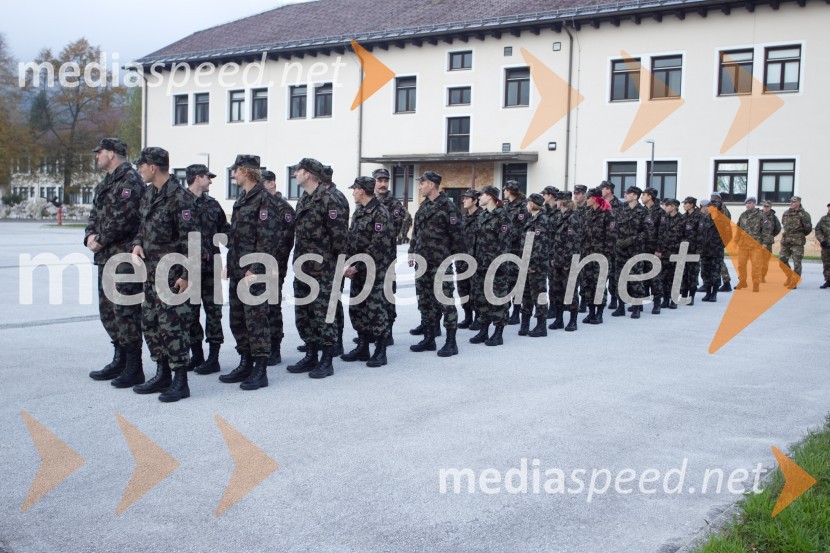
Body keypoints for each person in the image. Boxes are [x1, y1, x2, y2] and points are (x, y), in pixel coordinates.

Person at [130, 147, 199, 402]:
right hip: (151, 273)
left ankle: (181, 381)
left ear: (153, 167)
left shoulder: (180, 198)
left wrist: (187, 276)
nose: (139, 170)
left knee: (174, 327)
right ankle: (162, 373)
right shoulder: (149, 194)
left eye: (142, 166)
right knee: (150, 324)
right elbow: (142, 225)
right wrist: (138, 241)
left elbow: (192, 240)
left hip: (172, 274)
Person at [215, 155, 279, 391]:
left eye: (236, 171)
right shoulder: (242, 199)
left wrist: (256, 269)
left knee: (257, 320)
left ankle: (260, 370)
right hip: (238, 270)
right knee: (238, 320)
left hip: (254, 273)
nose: (233, 175)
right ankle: (245, 362)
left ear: (246, 171)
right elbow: (236, 237)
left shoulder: (264, 200)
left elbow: (268, 238)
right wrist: (230, 265)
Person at [85, 138, 146, 384]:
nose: (96, 156)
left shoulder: (131, 181)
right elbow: (94, 214)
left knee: (126, 311)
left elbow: (126, 219)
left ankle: (134, 366)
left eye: (98, 152)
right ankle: (119, 358)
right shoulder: (106, 183)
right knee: (108, 311)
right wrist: (89, 235)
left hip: (122, 257)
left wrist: (101, 239)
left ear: (110, 153)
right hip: (105, 256)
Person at [286, 158, 348, 378]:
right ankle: (311, 354)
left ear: (309, 174)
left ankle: (327, 360)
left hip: (324, 270)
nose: (295, 174)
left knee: (324, 315)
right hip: (303, 268)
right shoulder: (304, 200)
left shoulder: (329, 199)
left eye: (298, 171)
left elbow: (339, 238)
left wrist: (339, 267)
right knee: (304, 314)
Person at [341, 176, 394, 367]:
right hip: (358, 271)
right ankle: (362, 346)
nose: (353, 193)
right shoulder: (359, 212)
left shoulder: (380, 212)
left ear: (361, 190)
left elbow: (378, 245)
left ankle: (380, 351)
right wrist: (348, 264)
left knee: (376, 310)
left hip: (375, 271)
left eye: (354, 189)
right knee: (358, 308)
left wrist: (358, 266)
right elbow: (352, 239)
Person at [408, 171, 463, 356]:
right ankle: (429, 338)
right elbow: (416, 232)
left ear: (431, 184)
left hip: (441, 263)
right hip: (422, 262)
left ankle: (451, 342)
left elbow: (457, 236)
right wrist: (411, 252)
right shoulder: (423, 207)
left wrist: (455, 260)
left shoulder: (448, 207)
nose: (419, 187)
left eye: (421, 183)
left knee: (445, 301)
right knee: (425, 301)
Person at [184, 164, 230, 375]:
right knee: (190, 314)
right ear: (196, 178)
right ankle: (197, 355)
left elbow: (225, 232)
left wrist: (240, 250)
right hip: (188, 269)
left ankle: (213, 358)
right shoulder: (179, 203)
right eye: (207, 177)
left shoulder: (213, 205)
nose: (210, 181)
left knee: (214, 313)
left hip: (212, 267)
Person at [260, 170, 296, 366]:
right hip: (260, 265)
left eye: (263, 183)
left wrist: (272, 262)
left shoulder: (284, 208)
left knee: (272, 306)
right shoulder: (262, 204)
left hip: (275, 266)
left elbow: (286, 241)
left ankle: (275, 347)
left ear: (272, 183)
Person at [466, 186, 510, 347]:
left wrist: (498, 264)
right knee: (481, 298)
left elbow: (504, 243)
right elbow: (475, 241)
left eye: (482, 195)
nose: (480, 197)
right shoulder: (483, 215)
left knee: (497, 298)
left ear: (490, 197)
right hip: (480, 264)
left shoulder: (502, 216)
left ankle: (498, 333)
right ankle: (484, 329)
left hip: (495, 265)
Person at [372, 168, 404, 344]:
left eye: (386, 180)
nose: (383, 184)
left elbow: (396, 229)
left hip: (386, 257)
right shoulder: (367, 201)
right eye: (380, 180)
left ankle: (387, 331)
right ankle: (372, 330)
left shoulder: (394, 204)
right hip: (369, 257)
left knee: (387, 293)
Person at [611, 186, 653, 318]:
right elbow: (613, 227)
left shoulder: (643, 212)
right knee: (620, 278)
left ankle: (636, 307)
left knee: (635, 278)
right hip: (620, 249)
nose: (625, 195)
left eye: (628, 193)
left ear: (635, 196)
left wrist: (632, 240)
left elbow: (648, 232)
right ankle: (621, 306)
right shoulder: (620, 210)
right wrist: (617, 241)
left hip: (635, 250)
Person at [322, 165, 350, 355]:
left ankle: (336, 341)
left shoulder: (335, 198)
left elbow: (338, 234)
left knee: (333, 301)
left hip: (333, 259)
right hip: (329, 260)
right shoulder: (328, 195)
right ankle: (325, 340)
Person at [580, 188, 615, 324]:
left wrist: (605, 256)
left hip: (601, 256)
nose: (586, 200)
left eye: (588, 198)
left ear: (594, 199)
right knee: (587, 284)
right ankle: (591, 312)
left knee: (599, 284)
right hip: (587, 255)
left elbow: (612, 238)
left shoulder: (607, 215)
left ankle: (599, 313)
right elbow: (583, 234)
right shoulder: (587, 214)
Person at [549, 191, 582, 331]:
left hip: (568, 262)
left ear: (562, 202)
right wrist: (553, 257)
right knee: (557, 291)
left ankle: (573, 320)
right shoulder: (559, 217)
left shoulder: (573, 218)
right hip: (557, 261)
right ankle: (559, 319)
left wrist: (569, 262)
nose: (555, 203)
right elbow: (555, 240)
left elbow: (573, 242)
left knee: (570, 291)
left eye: (557, 201)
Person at [519, 193, 549, 337]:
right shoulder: (532, 219)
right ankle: (525, 323)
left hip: (536, 265)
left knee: (539, 295)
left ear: (532, 203)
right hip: (526, 263)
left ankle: (541, 326)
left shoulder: (542, 220)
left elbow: (540, 245)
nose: (526, 205)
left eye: (528, 203)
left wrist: (533, 264)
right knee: (526, 295)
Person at [502, 180, 527, 325]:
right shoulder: (506, 206)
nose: (504, 191)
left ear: (510, 191)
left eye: (505, 189)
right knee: (507, 281)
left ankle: (517, 311)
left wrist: (508, 235)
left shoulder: (521, 207)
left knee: (516, 281)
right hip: (506, 249)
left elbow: (521, 229)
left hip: (517, 250)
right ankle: (508, 309)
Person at [457, 189, 482, 330]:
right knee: (463, 289)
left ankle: (479, 317)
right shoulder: (463, 217)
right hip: (462, 259)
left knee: (476, 290)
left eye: (467, 198)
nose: (464, 200)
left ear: (475, 200)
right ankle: (468, 316)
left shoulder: (482, 217)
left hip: (475, 260)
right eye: (464, 198)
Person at [698, 199, 732, 302]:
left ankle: (714, 294)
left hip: (716, 250)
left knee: (715, 272)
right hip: (705, 250)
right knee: (705, 272)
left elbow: (729, 235)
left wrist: (721, 244)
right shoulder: (704, 218)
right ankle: (708, 292)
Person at [779, 196, 812, 289]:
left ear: (798, 202)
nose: (791, 203)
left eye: (794, 202)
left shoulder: (804, 214)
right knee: (782, 260)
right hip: (786, 241)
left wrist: (799, 235)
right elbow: (784, 224)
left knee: (797, 262)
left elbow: (808, 228)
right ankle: (789, 277)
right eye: (791, 202)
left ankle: (794, 281)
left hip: (797, 242)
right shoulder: (786, 213)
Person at [599, 181, 623, 310]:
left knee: (614, 273)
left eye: (602, 189)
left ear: (608, 190)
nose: (600, 191)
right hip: (601, 243)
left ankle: (614, 298)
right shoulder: (600, 204)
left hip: (615, 244)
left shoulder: (619, 205)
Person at [641, 187, 664, 314]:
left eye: (644, 195)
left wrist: (659, 249)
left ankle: (657, 303)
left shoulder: (660, 212)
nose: (641, 197)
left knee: (654, 277)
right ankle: (643, 302)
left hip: (653, 249)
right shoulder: (642, 211)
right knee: (642, 276)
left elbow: (662, 232)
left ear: (650, 197)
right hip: (642, 248)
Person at [658, 199, 684, 309]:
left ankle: (674, 300)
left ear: (674, 207)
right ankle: (666, 299)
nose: (665, 207)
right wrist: (659, 249)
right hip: (664, 252)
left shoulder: (682, 219)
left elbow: (687, 236)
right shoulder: (664, 218)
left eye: (667, 205)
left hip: (676, 252)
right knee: (664, 277)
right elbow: (660, 234)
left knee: (675, 277)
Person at [736, 197, 764, 292]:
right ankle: (742, 281)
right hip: (743, 245)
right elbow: (738, 229)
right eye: (746, 203)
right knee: (741, 265)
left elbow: (767, 231)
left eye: (750, 203)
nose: (748, 205)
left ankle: (756, 284)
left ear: (755, 203)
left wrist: (765, 244)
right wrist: (736, 242)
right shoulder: (743, 215)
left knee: (756, 265)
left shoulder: (761, 215)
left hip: (755, 245)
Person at [679, 197, 703, 305]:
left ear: (692, 204)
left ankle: (691, 296)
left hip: (694, 249)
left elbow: (702, 235)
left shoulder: (699, 216)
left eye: (686, 203)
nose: (684, 205)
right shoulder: (683, 216)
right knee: (684, 273)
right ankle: (684, 295)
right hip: (684, 249)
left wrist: (698, 250)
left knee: (693, 273)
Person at [709, 192, 734, 292]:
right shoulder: (715, 208)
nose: (713, 201)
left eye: (715, 199)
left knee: (719, 261)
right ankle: (711, 282)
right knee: (712, 261)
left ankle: (726, 283)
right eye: (712, 199)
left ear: (719, 199)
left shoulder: (722, 208)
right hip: (713, 238)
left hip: (720, 238)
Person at [759, 200, 782, 283]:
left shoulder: (773, 217)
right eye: (764, 206)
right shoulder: (758, 215)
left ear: (770, 207)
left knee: (765, 261)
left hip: (768, 243)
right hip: (758, 241)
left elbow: (778, 228)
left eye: (767, 206)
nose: (766, 208)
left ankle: (762, 276)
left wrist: (771, 236)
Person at [814, 202, 830, 289]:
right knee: (826, 264)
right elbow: (817, 230)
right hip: (826, 245)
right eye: (829, 207)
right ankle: (828, 281)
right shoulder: (823, 219)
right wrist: (822, 240)